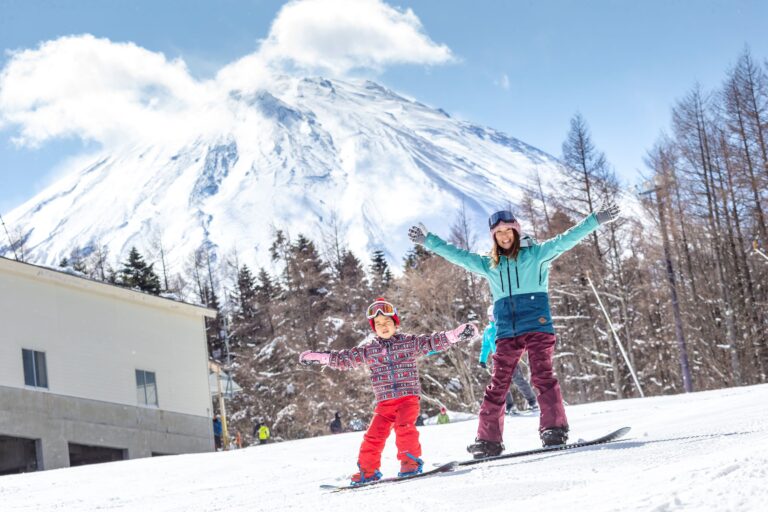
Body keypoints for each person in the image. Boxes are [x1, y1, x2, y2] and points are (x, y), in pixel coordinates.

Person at [408, 203, 620, 456]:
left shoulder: (538, 254)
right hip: (506, 330)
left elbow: (567, 239)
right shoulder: (490, 264)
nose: (504, 236)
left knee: (542, 375)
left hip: (537, 325)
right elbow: (459, 255)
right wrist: (428, 240)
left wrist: (595, 220)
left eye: (508, 231)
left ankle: (554, 429)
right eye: (498, 234)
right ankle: (488, 440)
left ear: (516, 232)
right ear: (494, 238)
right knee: (499, 382)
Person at [299, 297, 478, 485]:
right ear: (373, 328)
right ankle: (367, 472)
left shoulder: (408, 343)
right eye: (378, 324)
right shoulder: (369, 350)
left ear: (395, 323)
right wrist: (322, 358)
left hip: (407, 399)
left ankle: (410, 463)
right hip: (384, 403)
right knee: (373, 436)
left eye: (387, 322)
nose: (383, 326)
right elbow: (346, 358)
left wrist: (455, 335)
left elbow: (431, 342)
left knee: (404, 428)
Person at [481, 305, 539, 415]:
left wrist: (518, 351)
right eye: (489, 317)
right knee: (501, 383)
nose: (491, 319)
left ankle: (532, 402)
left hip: (509, 356)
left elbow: (516, 340)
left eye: (493, 316)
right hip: (497, 359)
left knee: (518, 380)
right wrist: (482, 359)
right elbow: (485, 345)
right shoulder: (488, 330)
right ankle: (510, 406)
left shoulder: (505, 326)